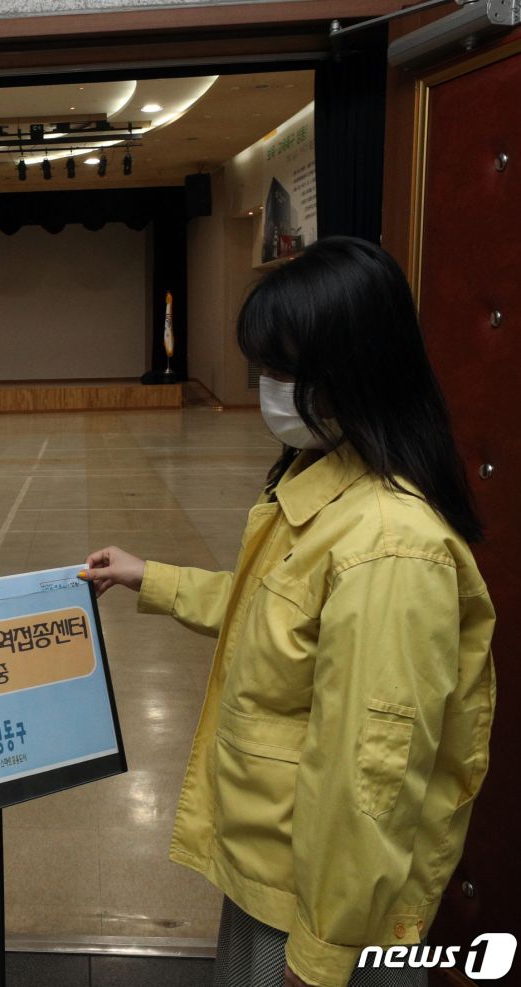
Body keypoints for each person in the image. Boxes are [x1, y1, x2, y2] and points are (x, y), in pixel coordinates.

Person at [79, 236, 496, 987]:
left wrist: (322, 955)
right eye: (263, 367)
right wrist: (152, 578)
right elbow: (279, 618)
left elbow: (367, 781)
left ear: (355, 369)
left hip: (323, 909)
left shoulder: (389, 547)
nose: (268, 389)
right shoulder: (327, 483)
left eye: (284, 370)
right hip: (276, 869)